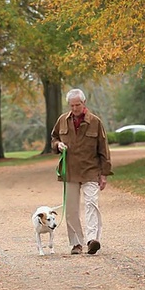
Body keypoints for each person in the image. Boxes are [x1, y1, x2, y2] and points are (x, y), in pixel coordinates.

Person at [51, 88, 113, 255]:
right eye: (71, 105)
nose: (75, 109)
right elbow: (54, 138)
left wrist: (104, 174)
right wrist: (58, 145)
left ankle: (92, 240)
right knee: (71, 209)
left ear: (84, 103)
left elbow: (103, 149)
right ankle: (76, 243)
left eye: (77, 105)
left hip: (90, 170)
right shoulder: (62, 120)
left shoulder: (95, 122)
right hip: (69, 171)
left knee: (91, 205)